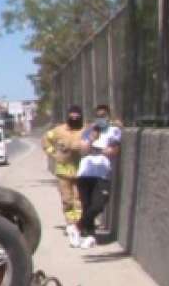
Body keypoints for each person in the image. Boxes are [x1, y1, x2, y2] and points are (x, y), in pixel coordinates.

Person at [76, 104, 121, 249]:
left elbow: (112, 151)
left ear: (108, 117)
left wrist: (96, 150)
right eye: (98, 116)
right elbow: (83, 150)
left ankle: (79, 224)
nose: (101, 119)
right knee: (86, 205)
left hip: (102, 174)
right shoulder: (89, 131)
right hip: (85, 174)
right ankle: (90, 235)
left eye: (103, 116)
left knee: (98, 205)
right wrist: (91, 139)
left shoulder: (114, 131)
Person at [41, 104, 87, 247]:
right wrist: (53, 154)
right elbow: (45, 140)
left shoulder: (85, 129)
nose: (74, 117)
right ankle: (70, 224)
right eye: (72, 115)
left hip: (81, 170)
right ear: (68, 116)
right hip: (63, 171)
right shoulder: (59, 130)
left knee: (78, 199)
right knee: (67, 199)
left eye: (77, 115)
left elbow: (96, 136)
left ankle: (78, 224)